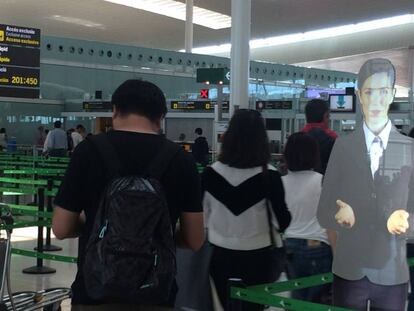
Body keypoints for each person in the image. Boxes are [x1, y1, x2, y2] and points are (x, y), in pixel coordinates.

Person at [52, 79, 204, 310]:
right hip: (156, 295)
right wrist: (157, 231)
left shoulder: (88, 151)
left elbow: (61, 228)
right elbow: (195, 239)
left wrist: (94, 224)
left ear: (114, 111)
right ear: (161, 116)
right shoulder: (181, 160)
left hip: (95, 292)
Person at [317, 58, 414, 311]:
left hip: (392, 273)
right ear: (359, 95)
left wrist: (406, 224)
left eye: (383, 92)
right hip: (350, 269)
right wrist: (338, 216)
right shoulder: (343, 146)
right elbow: (323, 210)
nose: (375, 100)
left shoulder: (409, 149)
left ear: (392, 94)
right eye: (369, 92)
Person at [202, 109, 291, 311]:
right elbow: (283, 221)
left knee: (222, 305)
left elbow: (203, 217)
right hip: (259, 256)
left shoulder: (210, 174)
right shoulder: (270, 176)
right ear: (261, 139)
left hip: (219, 254)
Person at [282, 132, 335, 303]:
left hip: (288, 247)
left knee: (296, 299)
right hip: (317, 246)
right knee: (316, 302)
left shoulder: (280, 183)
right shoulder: (324, 181)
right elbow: (331, 225)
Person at [302, 99, 337, 174]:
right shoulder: (332, 139)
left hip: (300, 182)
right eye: (329, 117)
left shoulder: (296, 138)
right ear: (325, 116)